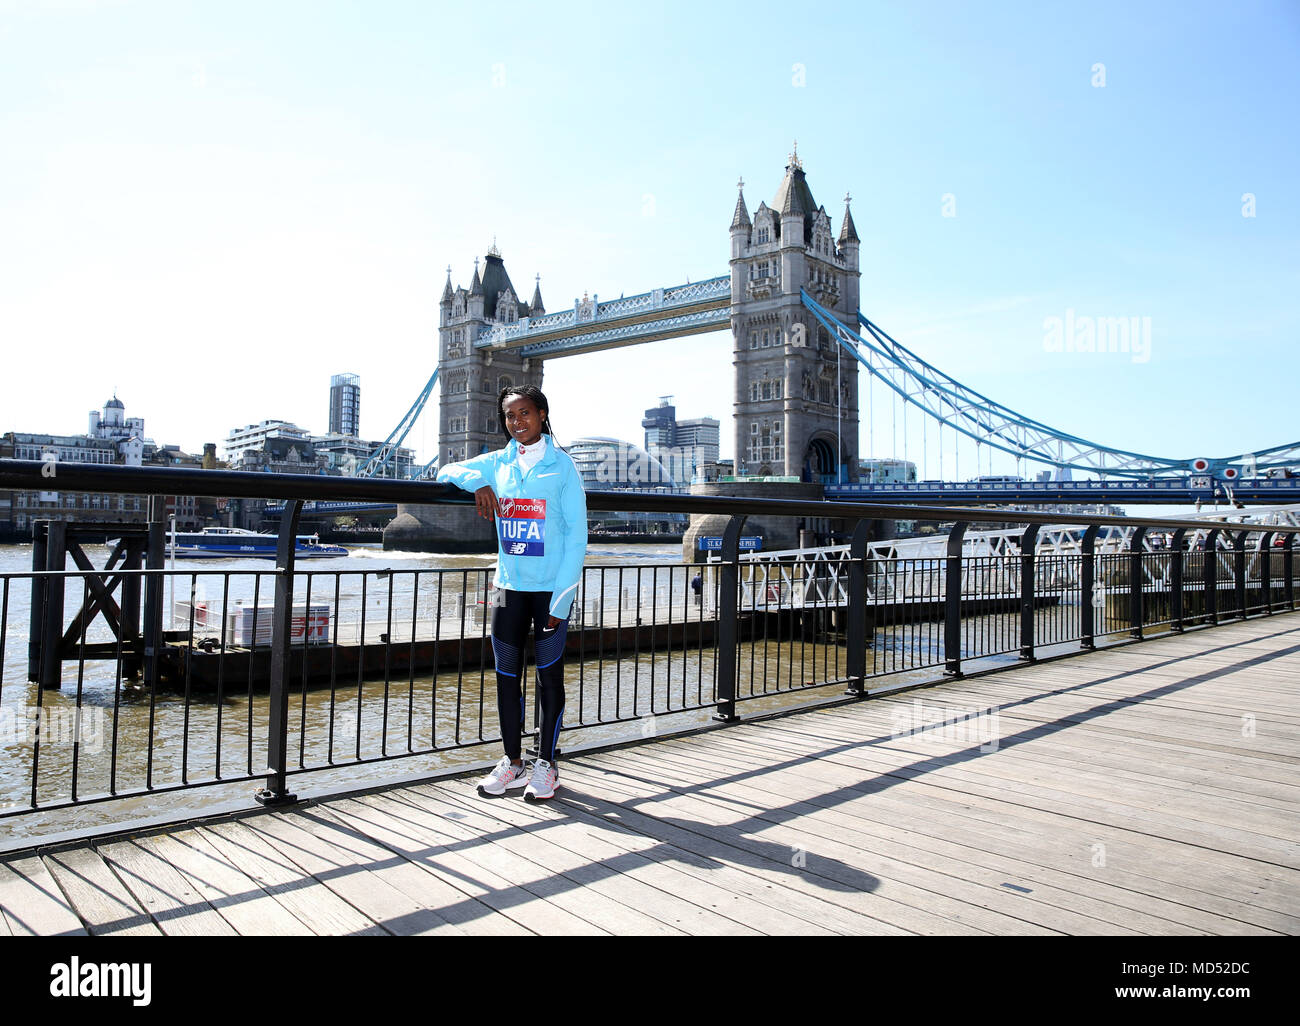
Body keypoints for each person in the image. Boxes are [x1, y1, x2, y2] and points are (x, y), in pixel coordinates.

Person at [436, 385, 587, 801]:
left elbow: (577, 538)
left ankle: (547, 765)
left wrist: (562, 600)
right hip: (507, 588)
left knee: (548, 676)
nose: (517, 422)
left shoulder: (563, 468)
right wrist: (477, 485)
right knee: (506, 675)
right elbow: (444, 471)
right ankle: (512, 763)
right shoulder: (497, 464)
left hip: (549, 591)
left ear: (541, 414)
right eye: (510, 416)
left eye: (525, 414)